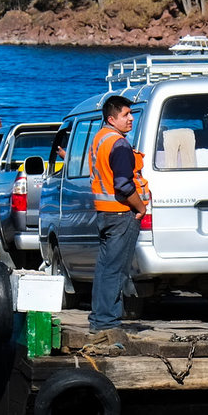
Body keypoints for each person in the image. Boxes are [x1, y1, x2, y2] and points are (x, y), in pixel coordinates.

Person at [88, 94, 149, 337]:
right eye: (126, 115)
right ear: (112, 119)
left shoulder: (99, 138)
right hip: (122, 213)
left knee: (105, 268)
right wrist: (141, 208)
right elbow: (124, 185)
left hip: (105, 213)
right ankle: (106, 323)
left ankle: (100, 318)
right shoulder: (119, 144)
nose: (131, 118)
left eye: (131, 113)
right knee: (114, 271)